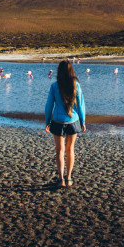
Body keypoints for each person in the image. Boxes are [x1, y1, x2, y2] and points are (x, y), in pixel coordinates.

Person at [45, 59, 86, 188]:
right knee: (70, 150)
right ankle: (69, 178)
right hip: (73, 121)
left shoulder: (54, 86)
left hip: (57, 121)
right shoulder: (76, 85)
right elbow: (81, 105)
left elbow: (49, 105)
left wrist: (47, 121)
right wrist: (82, 121)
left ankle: (60, 178)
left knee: (59, 150)